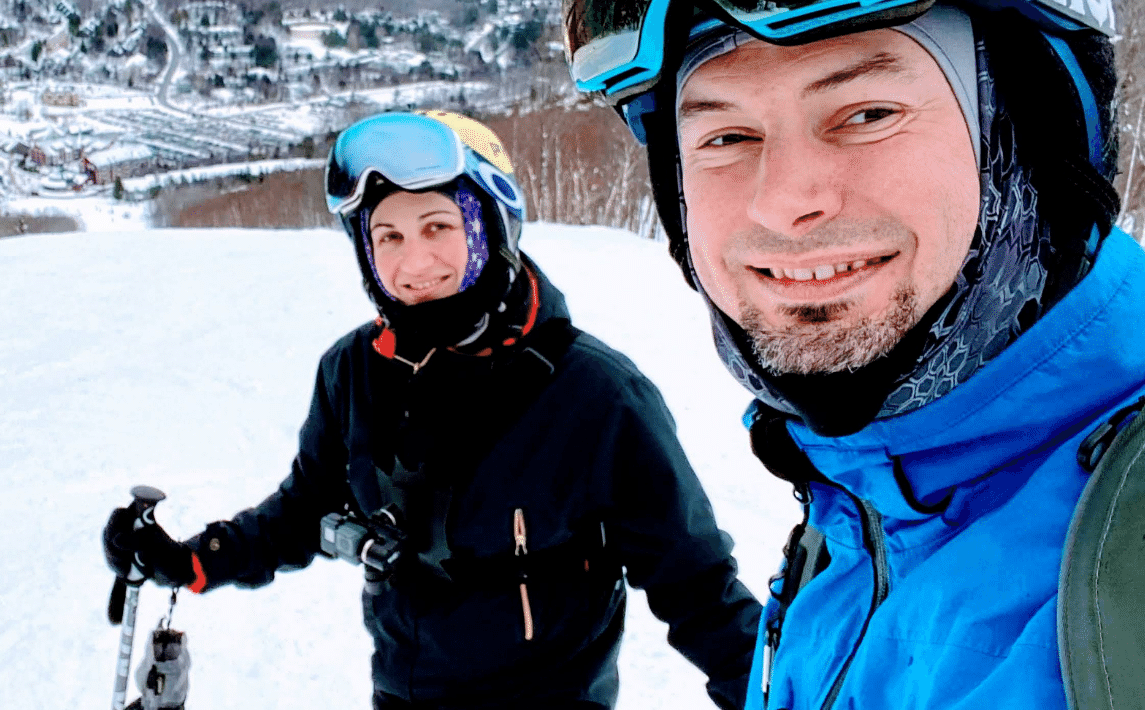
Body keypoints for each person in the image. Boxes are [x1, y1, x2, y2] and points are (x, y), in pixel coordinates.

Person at [560, 0, 1145, 710]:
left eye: (866, 113)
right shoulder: (843, 533)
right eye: (727, 135)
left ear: (1030, 138)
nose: (784, 200)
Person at [103, 110, 761, 709]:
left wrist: (773, 692)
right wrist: (191, 558)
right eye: (385, 235)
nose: (412, 262)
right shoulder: (352, 373)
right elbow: (301, 512)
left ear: (489, 225)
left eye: (438, 226)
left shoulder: (596, 396)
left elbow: (696, 585)